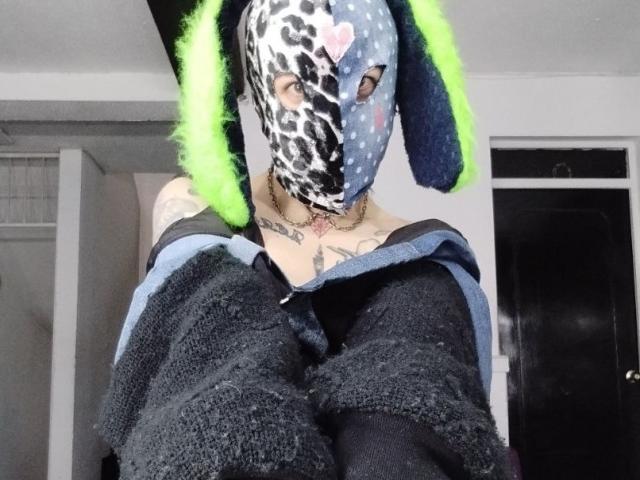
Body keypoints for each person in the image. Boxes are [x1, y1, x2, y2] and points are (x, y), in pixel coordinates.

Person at [98, 0, 512, 478]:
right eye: (297, 86)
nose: (335, 120)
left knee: (427, 296)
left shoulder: (425, 258)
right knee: (210, 286)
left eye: (365, 83)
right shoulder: (193, 211)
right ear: (261, 89)